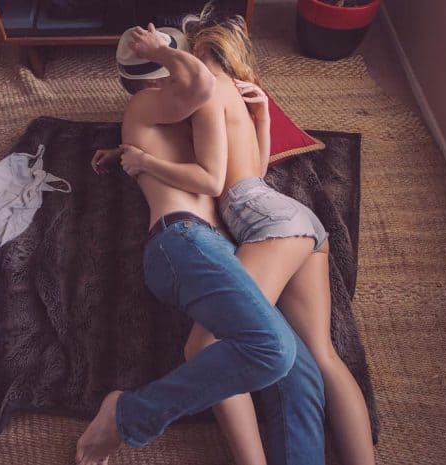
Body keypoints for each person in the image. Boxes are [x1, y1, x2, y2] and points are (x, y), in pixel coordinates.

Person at [115, 5, 376, 465]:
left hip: (268, 223)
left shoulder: (208, 89)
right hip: (296, 221)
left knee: (203, 345)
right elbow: (252, 174)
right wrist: (263, 120)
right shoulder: (236, 96)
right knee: (323, 357)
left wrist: (142, 156)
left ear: (196, 54)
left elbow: (215, 181)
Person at [76, 23, 325, 465]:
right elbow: (200, 86)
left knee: (300, 372)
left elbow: (227, 157)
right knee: (273, 349)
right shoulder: (144, 104)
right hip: (181, 241)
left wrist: (261, 117)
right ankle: (127, 414)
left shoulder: (174, 122)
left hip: (217, 248)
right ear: (156, 79)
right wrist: (162, 50)